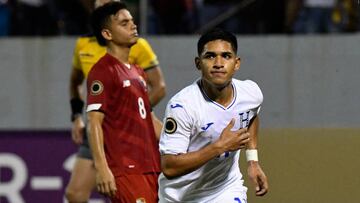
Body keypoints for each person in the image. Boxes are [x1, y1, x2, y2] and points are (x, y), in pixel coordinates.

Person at [65, 0, 166, 202]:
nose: (133, 25)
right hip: (127, 167)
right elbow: (94, 121)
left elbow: (149, 117)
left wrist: (182, 143)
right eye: (124, 23)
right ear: (107, 34)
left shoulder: (137, 71)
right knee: (75, 193)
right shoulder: (102, 71)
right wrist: (102, 169)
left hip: (149, 164)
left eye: (132, 20)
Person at [158, 28, 268, 202]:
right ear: (198, 63)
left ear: (237, 63)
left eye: (226, 56)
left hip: (226, 190)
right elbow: (169, 167)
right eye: (210, 56)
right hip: (180, 197)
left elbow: (251, 116)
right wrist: (219, 147)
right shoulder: (183, 106)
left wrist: (252, 161)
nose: (218, 63)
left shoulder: (251, 93)